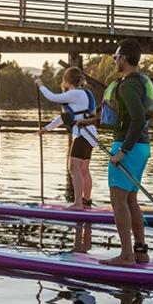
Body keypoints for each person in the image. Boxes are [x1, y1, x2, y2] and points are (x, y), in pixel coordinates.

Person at [100, 38, 152, 266]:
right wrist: (90, 121)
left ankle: (126, 256)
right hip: (142, 147)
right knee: (131, 200)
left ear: (124, 58)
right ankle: (140, 252)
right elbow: (131, 116)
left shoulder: (127, 85)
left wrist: (123, 150)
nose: (114, 60)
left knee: (118, 201)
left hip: (129, 147)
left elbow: (139, 118)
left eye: (116, 56)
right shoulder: (140, 82)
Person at [35, 67, 97, 210]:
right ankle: (86, 201)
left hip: (82, 135)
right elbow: (65, 118)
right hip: (90, 135)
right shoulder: (84, 94)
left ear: (67, 81)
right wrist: (47, 128)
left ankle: (78, 204)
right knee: (84, 170)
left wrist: (40, 85)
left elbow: (52, 97)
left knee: (74, 168)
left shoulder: (74, 93)